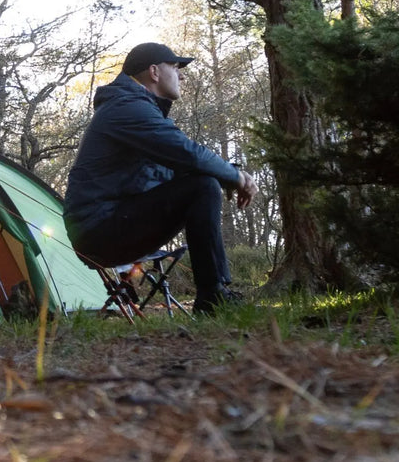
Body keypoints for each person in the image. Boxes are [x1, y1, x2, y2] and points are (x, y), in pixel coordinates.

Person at [63, 41, 258, 314]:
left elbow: (177, 167)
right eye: (176, 67)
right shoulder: (127, 107)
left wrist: (228, 173)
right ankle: (212, 296)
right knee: (202, 186)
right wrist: (235, 176)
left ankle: (213, 294)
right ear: (154, 72)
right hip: (98, 230)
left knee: (201, 182)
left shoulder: (135, 108)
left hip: (111, 221)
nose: (182, 76)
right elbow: (187, 153)